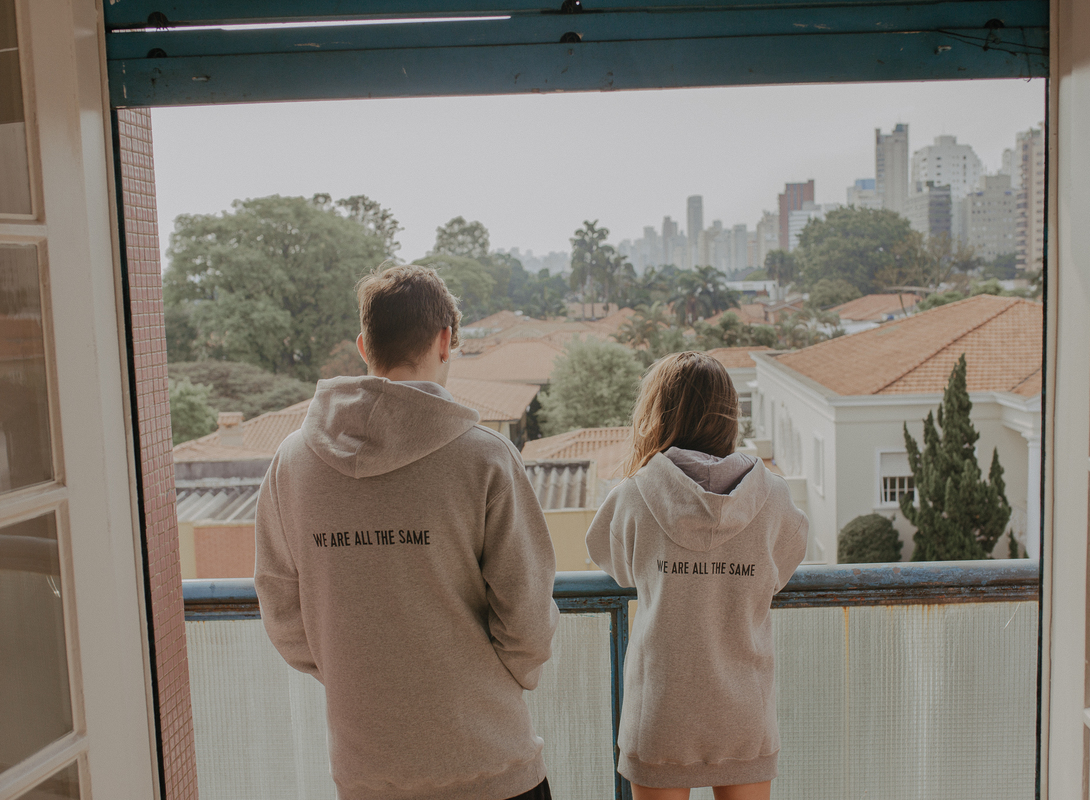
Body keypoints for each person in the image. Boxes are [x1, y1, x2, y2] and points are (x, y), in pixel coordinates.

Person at [255, 263, 559, 800]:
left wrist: (357, 674)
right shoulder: (486, 457)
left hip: (368, 772)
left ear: (363, 344)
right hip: (489, 763)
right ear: (445, 341)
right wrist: (490, 682)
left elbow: (281, 610)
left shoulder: (292, 464)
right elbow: (528, 620)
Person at [585, 352, 808, 800]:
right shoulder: (775, 499)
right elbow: (780, 569)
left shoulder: (633, 495)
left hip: (661, 707)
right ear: (730, 414)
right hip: (744, 708)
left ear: (657, 413)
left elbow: (620, 567)